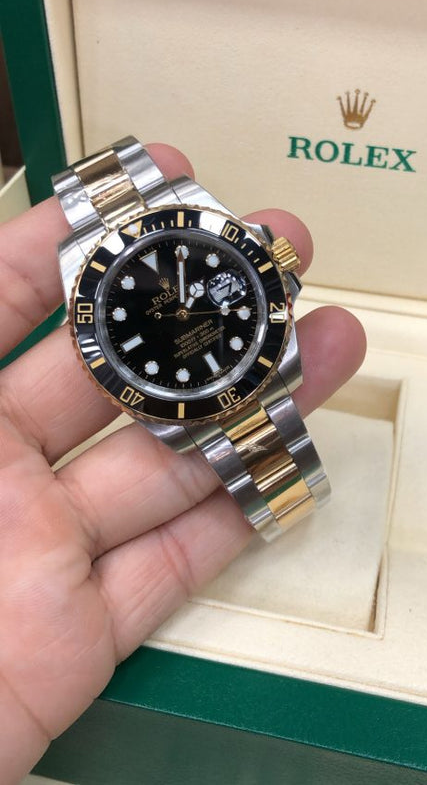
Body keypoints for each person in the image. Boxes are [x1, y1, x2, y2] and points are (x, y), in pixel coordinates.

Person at [0, 143, 366, 784]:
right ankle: (285, 502)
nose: (179, 312)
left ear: (273, 266)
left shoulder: (199, 253)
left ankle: (288, 499)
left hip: (236, 370)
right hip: (192, 395)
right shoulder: (103, 316)